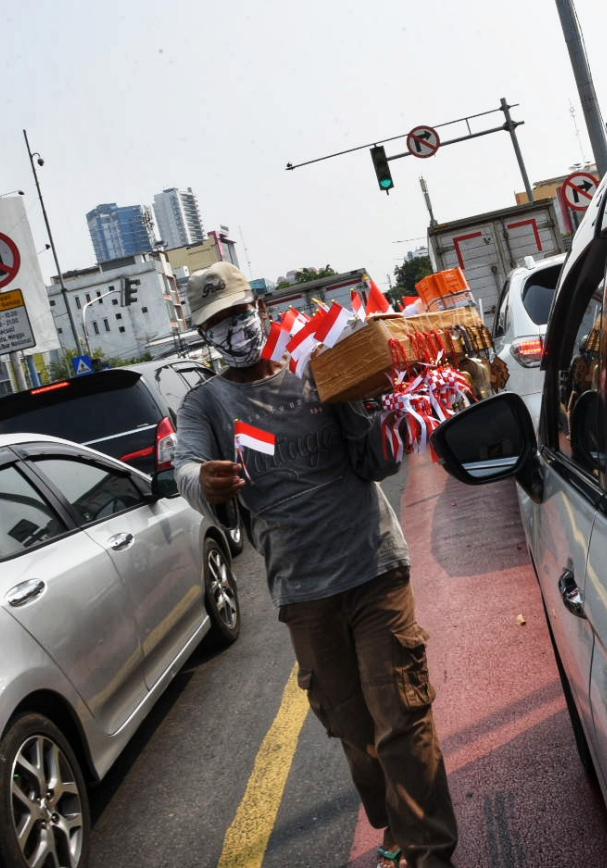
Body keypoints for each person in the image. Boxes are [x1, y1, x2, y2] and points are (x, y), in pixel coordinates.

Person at [172, 262, 457, 868]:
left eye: (238, 313)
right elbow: (185, 470)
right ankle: (397, 824)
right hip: (302, 591)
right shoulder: (208, 403)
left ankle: (431, 854)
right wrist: (204, 479)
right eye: (216, 323)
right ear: (203, 337)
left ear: (261, 309)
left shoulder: (317, 370)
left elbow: (375, 464)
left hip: (372, 565)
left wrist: (366, 407)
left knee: (401, 715)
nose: (233, 329)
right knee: (353, 729)